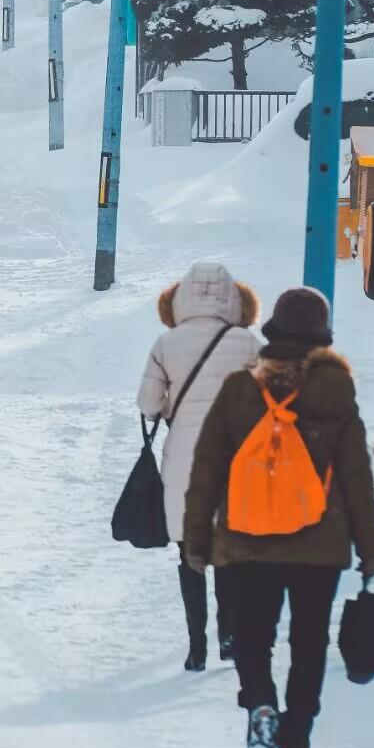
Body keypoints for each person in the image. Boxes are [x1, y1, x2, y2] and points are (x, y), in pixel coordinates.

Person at [182, 285, 374, 748]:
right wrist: (369, 550)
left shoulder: (239, 389)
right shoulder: (336, 391)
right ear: (322, 337)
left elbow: (206, 467)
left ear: (271, 334)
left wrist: (196, 541)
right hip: (320, 543)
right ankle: (297, 737)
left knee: (252, 635)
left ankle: (260, 706)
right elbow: (355, 473)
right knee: (309, 640)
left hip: (245, 539)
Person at [137, 261, 260, 672]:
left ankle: (196, 649)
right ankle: (229, 637)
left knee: (189, 550)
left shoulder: (166, 344)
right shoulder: (247, 343)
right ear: (234, 298)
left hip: (184, 457)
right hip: (235, 457)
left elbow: (149, 406)